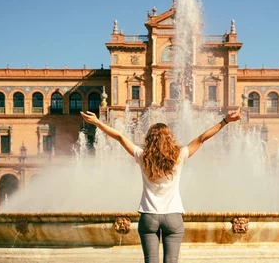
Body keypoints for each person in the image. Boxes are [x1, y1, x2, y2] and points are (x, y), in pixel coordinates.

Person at [81, 109, 242, 263]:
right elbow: (202, 138)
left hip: (149, 216)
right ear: (170, 138)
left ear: (149, 139)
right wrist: (225, 121)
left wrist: (97, 123)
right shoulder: (179, 155)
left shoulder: (142, 155)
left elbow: (120, 137)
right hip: (173, 216)